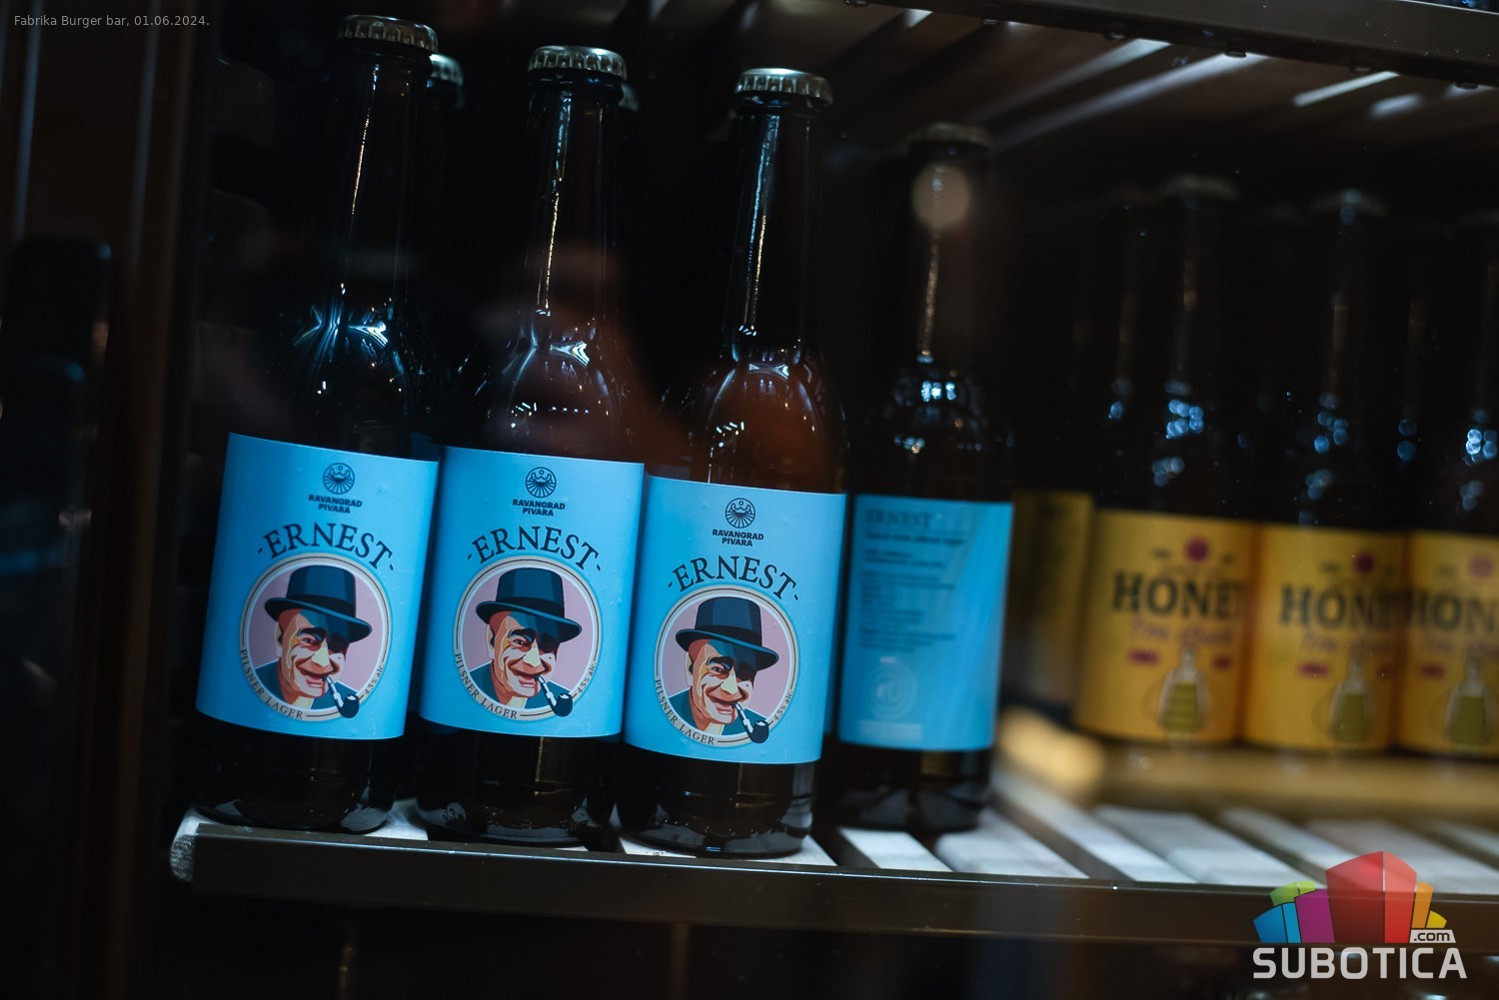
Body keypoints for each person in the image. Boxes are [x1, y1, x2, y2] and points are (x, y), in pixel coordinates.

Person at [254, 564, 369, 712]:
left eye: (336, 646)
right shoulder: (245, 689)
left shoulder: (348, 700)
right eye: (309, 641)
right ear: (279, 638)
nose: (322, 662)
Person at [667, 596, 779, 740]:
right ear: (690, 667)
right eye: (718, 670)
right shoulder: (662, 718)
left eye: (745, 674)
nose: (731, 690)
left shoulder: (756, 726)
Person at [471, 566, 580, 711]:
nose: (533, 662)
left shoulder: (558, 700)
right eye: (520, 642)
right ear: (492, 641)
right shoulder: (461, 691)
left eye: (547, 646)